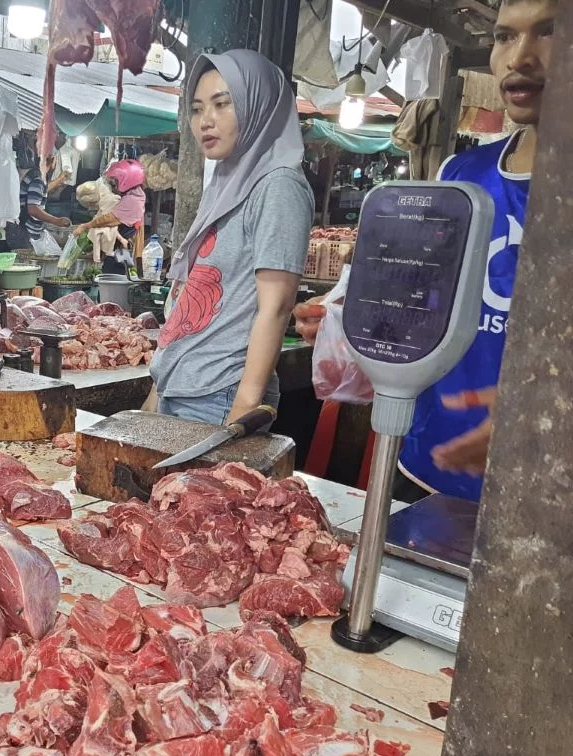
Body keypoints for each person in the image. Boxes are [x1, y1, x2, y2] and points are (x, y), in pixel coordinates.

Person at [294, 0, 554, 501]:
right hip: (428, 461)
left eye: (550, 32)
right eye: (504, 36)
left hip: (543, 491)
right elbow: (423, 302)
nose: (520, 57)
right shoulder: (460, 176)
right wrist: (356, 320)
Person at [147, 50, 313, 426]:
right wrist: (159, 386)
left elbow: (276, 305)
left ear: (258, 106)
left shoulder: (278, 185)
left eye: (222, 105)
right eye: (197, 108)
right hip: (183, 387)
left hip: (220, 395)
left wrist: (242, 410)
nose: (206, 121)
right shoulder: (227, 180)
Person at [73, 159, 148, 275]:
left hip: (122, 254)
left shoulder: (132, 201)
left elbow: (108, 219)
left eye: (117, 180)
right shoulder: (133, 196)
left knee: (113, 280)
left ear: (126, 180)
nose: (115, 184)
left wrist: (86, 226)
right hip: (120, 251)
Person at [20, 153, 72, 246]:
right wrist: (56, 221)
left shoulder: (36, 175)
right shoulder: (38, 179)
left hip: (25, 230)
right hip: (25, 231)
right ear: (52, 160)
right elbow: (33, 209)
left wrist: (59, 181)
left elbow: (40, 192)